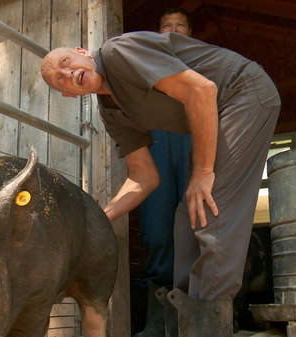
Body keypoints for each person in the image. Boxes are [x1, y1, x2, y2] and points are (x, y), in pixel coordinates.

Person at [40, 24, 280, 337]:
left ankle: (208, 325)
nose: (68, 72)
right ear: (69, 94)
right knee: (186, 220)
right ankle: (186, 315)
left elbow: (202, 90)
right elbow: (143, 177)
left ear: (83, 53)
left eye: (66, 62)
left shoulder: (117, 52)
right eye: (61, 78)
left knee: (210, 208)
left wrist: (204, 172)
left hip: (241, 93)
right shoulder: (111, 111)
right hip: (217, 114)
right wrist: (96, 219)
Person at [134, 7, 192, 337]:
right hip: (156, 143)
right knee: (157, 229)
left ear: (189, 33)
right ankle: (158, 317)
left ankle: (198, 309)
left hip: (191, 142)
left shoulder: (203, 63)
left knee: (197, 223)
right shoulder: (144, 63)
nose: (172, 30)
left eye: (179, 25)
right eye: (166, 25)